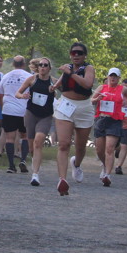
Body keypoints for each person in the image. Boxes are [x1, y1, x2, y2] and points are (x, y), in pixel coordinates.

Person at [51, 42, 96, 195]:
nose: (76, 55)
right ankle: (62, 180)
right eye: (73, 53)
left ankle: (76, 164)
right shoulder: (67, 68)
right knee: (63, 144)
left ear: (84, 56)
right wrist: (54, 87)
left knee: (80, 146)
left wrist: (71, 73)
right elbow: (61, 80)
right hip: (66, 105)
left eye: (79, 53)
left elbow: (87, 84)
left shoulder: (88, 68)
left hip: (84, 107)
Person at [16, 56, 56, 186]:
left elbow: (66, 92)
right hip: (31, 114)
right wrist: (23, 96)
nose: (43, 67)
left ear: (49, 68)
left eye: (45, 65)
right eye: (41, 65)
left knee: (38, 142)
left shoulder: (53, 82)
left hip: (46, 116)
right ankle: (34, 160)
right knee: (32, 146)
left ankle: (35, 175)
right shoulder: (32, 79)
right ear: (38, 67)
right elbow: (17, 93)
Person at [91, 68, 127, 186]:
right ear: (108, 76)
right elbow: (91, 100)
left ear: (119, 78)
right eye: (111, 76)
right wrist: (97, 99)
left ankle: (107, 175)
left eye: (115, 76)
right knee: (99, 150)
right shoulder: (101, 88)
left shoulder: (123, 89)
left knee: (109, 149)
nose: (113, 78)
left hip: (114, 121)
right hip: (101, 119)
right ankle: (105, 166)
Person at [0, 55, 32, 174]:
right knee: (25, 136)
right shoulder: (29, 77)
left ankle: (11, 165)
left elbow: (0, 94)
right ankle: (23, 160)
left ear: (13, 64)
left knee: (9, 138)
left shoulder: (6, 76)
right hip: (24, 110)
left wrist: (2, 107)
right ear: (24, 64)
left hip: (9, 109)